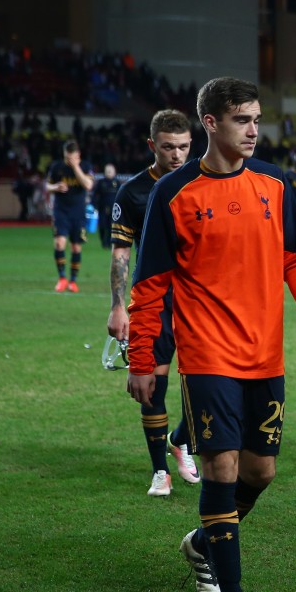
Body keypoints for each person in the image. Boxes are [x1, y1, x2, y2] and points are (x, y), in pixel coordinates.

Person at [126, 77, 296, 592]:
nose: (253, 130)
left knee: (260, 471)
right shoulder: (175, 193)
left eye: (257, 119)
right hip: (206, 354)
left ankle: (202, 543)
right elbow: (149, 286)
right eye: (242, 119)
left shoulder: (276, 184)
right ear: (210, 124)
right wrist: (141, 359)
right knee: (220, 469)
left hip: (264, 354)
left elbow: (295, 258)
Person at [108, 109, 200, 497]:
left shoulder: (202, 183)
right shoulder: (133, 193)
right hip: (157, 302)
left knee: (209, 387)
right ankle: (160, 471)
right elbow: (120, 254)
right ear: (152, 146)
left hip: (201, 300)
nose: (176, 155)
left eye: (182, 147)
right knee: (155, 387)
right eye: (167, 147)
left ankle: (180, 440)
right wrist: (116, 306)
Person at [45, 140, 94, 292]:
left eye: (71, 157)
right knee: (59, 243)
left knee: (76, 247)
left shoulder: (85, 167)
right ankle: (62, 278)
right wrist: (55, 187)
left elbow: (88, 185)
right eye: (66, 157)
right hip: (61, 211)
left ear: (77, 155)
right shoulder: (56, 167)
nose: (68, 160)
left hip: (78, 213)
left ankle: (73, 281)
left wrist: (75, 167)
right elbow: (47, 185)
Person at [94, 163, 121, 249]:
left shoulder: (117, 182)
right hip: (102, 208)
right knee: (102, 225)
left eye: (111, 171)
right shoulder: (101, 182)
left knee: (111, 226)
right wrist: (93, 204)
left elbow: (121, 196)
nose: (109, 172)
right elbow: (95, 194)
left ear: (114, 172)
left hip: (114, 209)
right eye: (107, 171)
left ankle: (108, 243)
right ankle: (103, 240)